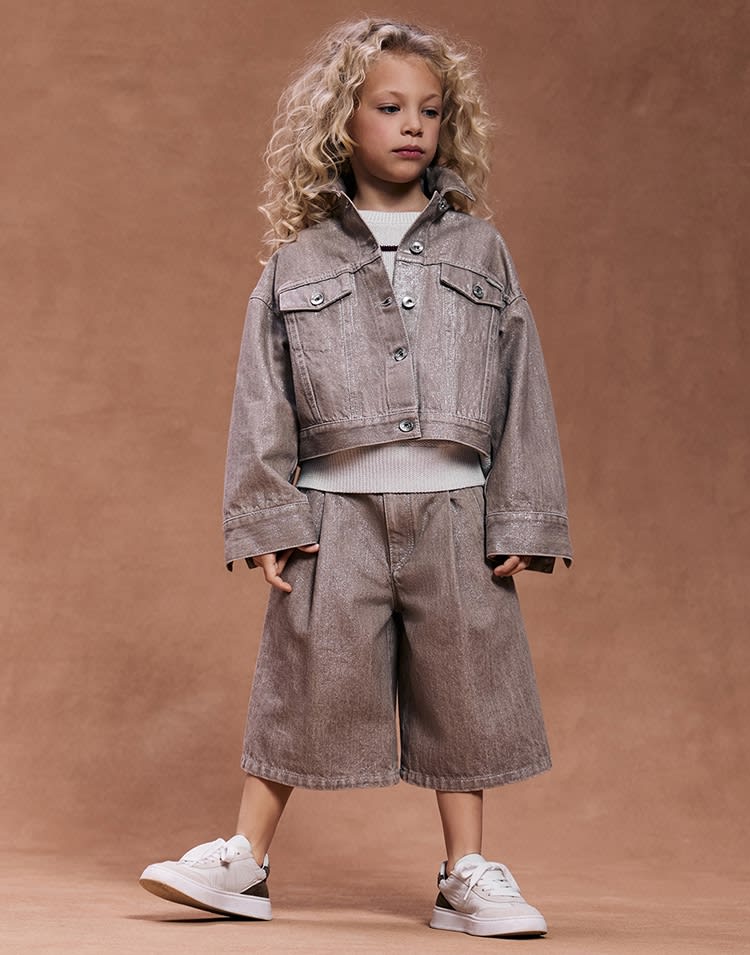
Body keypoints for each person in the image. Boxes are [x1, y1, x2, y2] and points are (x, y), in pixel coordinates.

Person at [139, 16, 572, 939]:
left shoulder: (481, 251)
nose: (413, 125)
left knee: (466, 684)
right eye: (389, 107)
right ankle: (245, 859)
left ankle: (465, 871)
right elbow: (262, 395)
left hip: (457, 510)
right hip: (333, 515)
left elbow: (521, 383)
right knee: (302, 677)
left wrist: (524, 518)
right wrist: (267, 517)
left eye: (431, 110)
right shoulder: (298, 261)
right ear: (343, 121)